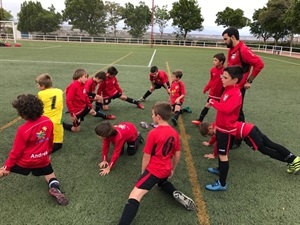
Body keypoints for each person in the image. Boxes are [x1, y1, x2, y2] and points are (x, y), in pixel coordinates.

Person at [118, 101, 196, 225]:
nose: (152, 117)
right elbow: (177, 154)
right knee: (161, 183)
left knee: (134, 196)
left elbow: (146, 157)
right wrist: (172, 169)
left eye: (153, 114)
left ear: (158, 117)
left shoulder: (153, 133)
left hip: (154, 170)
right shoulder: (174, 133)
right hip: (166, 168)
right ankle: (172, 191)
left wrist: (143, 173)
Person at [0, 94, 68, 205]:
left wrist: (7, 167)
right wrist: (49, 152)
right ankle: (56, 189)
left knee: (3, 171)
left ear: (22, 114)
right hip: (42, 159)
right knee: (51, 176)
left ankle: (3, 171)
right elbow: (51, 138)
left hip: (25, 162)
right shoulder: (48, 121)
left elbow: (16, 152)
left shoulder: (23, 130)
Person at [199, 121, 300, 174]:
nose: (210, 135)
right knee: (270, 144)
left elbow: (218, 143)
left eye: (209, 133)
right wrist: (209, 143)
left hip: (246, 133)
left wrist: (214, 154)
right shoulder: (217, 124)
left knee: (265, 150)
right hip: (250, 127)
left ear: (210, 128)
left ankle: (293, 160)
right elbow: (214, 138)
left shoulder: (218, 129)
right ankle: (293, 160)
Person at [222, 27, 264, 149]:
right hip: (231, 87)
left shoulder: (243, 50)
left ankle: (239, 138)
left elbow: (259, 64)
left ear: (233, 37)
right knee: (232, 112)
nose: (224, 41)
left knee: (237, 113)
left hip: (239, 88)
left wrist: (249, 81)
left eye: (225, 39)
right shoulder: (232, 49)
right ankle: (233, 135)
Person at [205, 65, 243, 191]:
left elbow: (226, 109)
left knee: (223, 155)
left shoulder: (236, 94)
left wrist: (212, 102)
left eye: (225, 77)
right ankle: (219, 169)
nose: (222, 78)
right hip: (221, 128)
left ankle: (222, 183)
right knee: (221, 153)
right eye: (222, 76)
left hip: (227, 130)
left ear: (235, 80)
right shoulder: (228, 89)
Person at [64, 68, 115, 133]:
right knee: (76, 130)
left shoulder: (83, 85)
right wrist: (72, 114)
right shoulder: (73, 86)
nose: (87, 78)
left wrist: (89, 105)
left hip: (84, 107)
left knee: (92, 111)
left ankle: (105, 116)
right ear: (80, 77)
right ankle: (61, 124)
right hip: (77, 111)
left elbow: (85, 96)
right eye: (85, 77)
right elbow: (69, 100)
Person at [192, 53, 226, 126]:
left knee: (221, 109)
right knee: (207, 105)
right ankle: (200, 120)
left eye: (215, 60)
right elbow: (211, 80)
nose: (213, 62)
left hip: (221, 94)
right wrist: (206, 88)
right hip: (212, 92)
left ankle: (223, 123)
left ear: (221, 62)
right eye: (213, 60)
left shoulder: (225, 71)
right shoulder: (212, 70)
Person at [35, 73, 64, 153]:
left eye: (38, 85)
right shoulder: (59, 91)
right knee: (58, 143)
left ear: (43, 86)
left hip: (45, 121)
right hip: (57, 121)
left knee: (41, 136)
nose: (37, 87)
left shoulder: (41, 94)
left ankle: (39, 151)